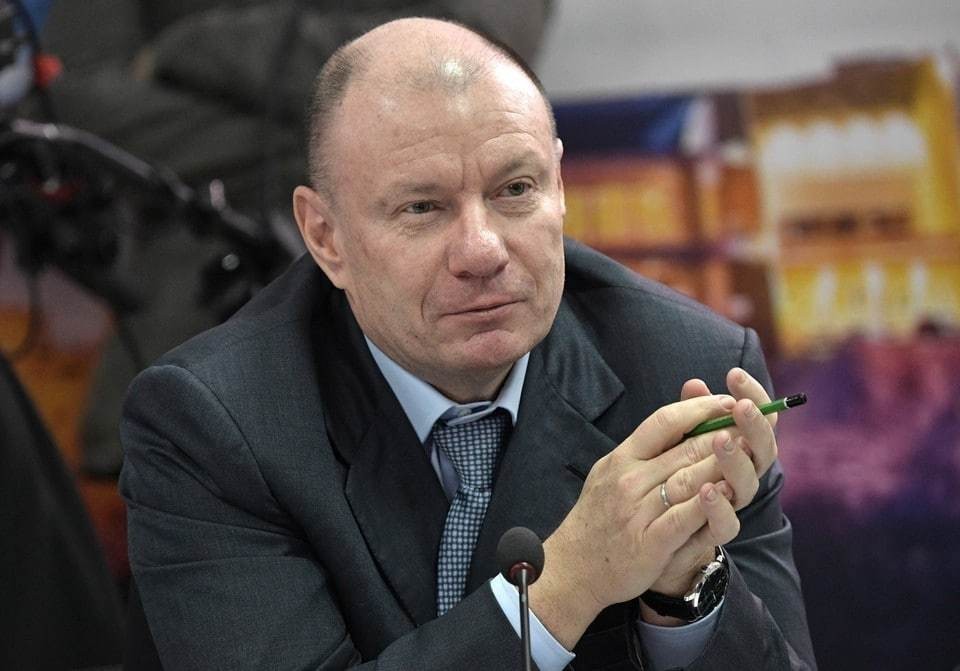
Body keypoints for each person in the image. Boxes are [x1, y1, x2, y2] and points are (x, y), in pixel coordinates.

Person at [120, 18, 816, 670]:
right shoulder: (216, 423)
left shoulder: (686, 367)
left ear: (559, 187)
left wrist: (684, 592)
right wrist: (573, 580)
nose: (483, 251)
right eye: (422, 207)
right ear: (326, 236)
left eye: (515, 189)